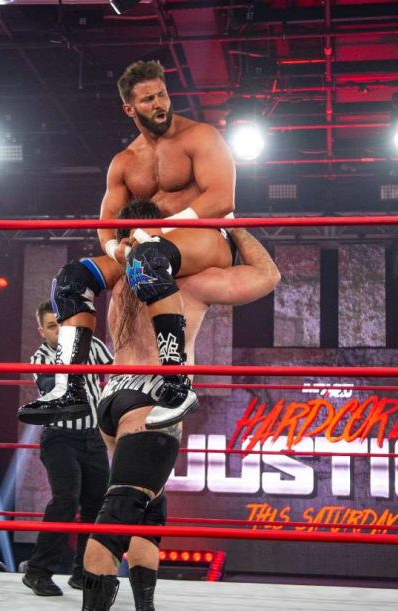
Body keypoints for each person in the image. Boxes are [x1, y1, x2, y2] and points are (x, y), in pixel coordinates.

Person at [70, 199, 281, 611]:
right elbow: (267, 275)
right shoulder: (190, 281)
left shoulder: (122, 279)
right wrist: (231, 223)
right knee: (123, 508)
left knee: (149, 510)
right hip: (151, 398)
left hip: (113, 397)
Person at [18, 59, 239, 430]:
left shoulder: (200, 137)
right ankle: (70, 388)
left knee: (148, 258)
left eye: (162, 94)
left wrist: (158, 231)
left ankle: (176, 385)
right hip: (145, 246)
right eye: (148, 99)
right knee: (71, 279)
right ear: (130, 108)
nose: (160, 104)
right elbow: (106, 224)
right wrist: (115, 250)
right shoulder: (125, 162)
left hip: (206, 238)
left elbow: (221, 199)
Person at [21, 301, 114, 597]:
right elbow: (53, 386)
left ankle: (83, 573)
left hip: (93, 437)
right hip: (60, 438)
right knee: (66, 500)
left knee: (96, 505)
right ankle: (38, 572)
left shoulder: (93, 346)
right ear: (42, 331)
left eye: (63, 324)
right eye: (52, 326)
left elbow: (119, 370)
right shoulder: (41, 357)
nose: (60, 331)